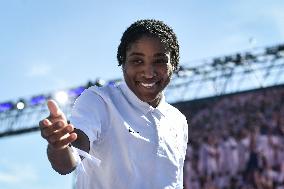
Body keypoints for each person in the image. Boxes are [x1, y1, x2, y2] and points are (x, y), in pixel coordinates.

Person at [39, 19, 189, 189]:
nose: (148, 72)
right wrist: (60, 145)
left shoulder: (178, 121)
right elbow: (69, 159)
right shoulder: (99, 101)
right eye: (137, 61)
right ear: (122, 63)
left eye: (159, 60)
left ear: (174, 64)